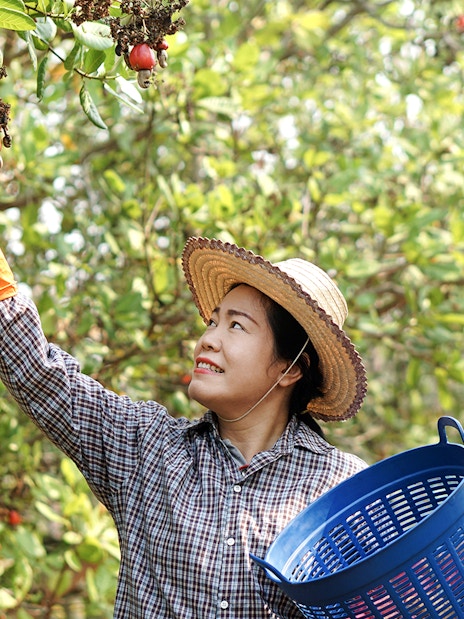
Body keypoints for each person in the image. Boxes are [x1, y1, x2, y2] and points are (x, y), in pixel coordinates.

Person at [0, 236, 368, 618]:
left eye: (237, 326)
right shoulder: (145, 448)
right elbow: (38, 373)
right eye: (213, 322)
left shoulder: (343, 488)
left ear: (290, 369)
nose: (207, 339)